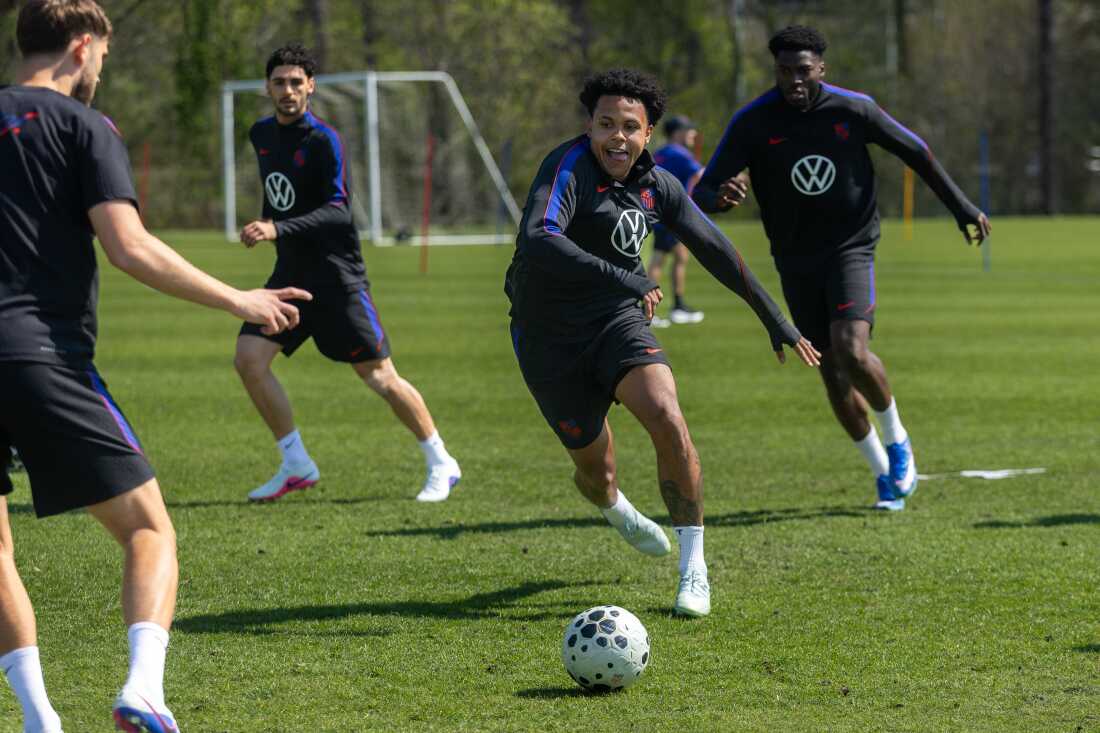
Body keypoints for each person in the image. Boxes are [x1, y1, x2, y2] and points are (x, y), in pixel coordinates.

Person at [0, 2, 310, 731]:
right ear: (81, 47)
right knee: (148, 530)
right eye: (102, 57)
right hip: (39, 354)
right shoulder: (82, 127)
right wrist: (241, 295)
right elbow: (129, 246)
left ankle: (39, 718)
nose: (100, 71)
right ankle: (142, 688)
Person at [505, 69, 820, 617]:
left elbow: (714, 247)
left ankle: (693, 567)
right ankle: (616, 508)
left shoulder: (658, 186)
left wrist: (774, 319)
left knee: (667, 415)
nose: (616, 137)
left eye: (630, 126)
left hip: (616, 322)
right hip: (547, 337)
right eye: (606, 124)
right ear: (590, 126)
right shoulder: (566, 166)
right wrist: (627, 276)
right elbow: (539, 238)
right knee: (594, 471)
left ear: (648, 134)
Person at [693, 25, 991, 511]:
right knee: (830, 370)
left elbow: (916, 151)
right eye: (784, 71)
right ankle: (882, 476)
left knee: (852, 349)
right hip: (793, 258)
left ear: (822, 69)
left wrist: (962, 209)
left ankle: (897, 442)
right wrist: (721, 198)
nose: (794, 80)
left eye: (803, 71)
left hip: (851, 245)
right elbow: (704, 191)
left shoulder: (853, 109)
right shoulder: (753, 121)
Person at [234, 44, 461, 504]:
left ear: (311, 87)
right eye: (279, 82)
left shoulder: (324, 140)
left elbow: (338, 211)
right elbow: (279, 196)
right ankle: (296, 462)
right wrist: (266, 223)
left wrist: (277, 227)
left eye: (297, 82)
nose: (288, 90)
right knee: (248, 360)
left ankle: (441, 460)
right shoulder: (260, 134)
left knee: (379, 377)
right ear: (267, 87)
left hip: (338, 279)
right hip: (290, 275)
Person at [647, 115, 705, 328]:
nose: (692, 134)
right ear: (677, 132)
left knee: (680, 255)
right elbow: (701, 174)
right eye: (688, 130)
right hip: (670, 214)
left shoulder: (660, 152)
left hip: (660, 211)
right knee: (659, 259)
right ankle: (647, 311)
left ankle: (677, 305)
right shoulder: (679, 153)